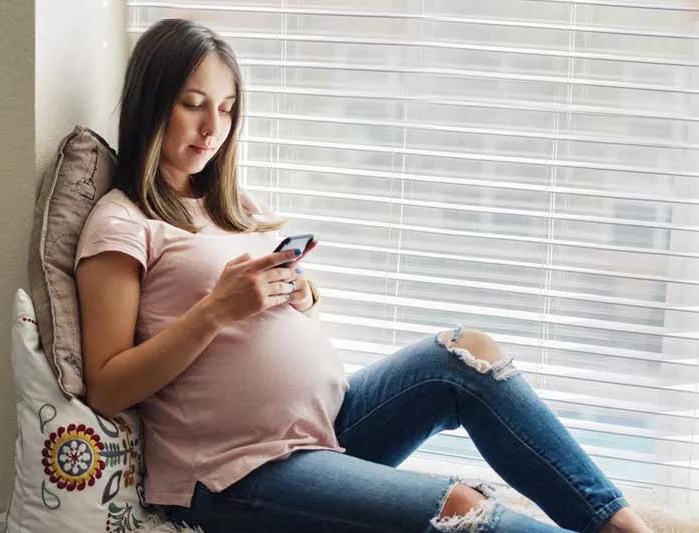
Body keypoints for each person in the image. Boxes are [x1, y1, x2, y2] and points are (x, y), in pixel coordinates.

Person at [74, 18, 653, 533]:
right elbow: (106, 385)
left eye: (226, 110)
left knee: (463, 354)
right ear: (152, 102)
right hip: (233, 475)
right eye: (193, 103)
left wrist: (298, 294)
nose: (211, 128)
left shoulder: (230, 204)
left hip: (325, 430)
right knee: (457, 506)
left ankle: (620, 525)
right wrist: (216, 311)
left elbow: (260, 320)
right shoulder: (123, 223)